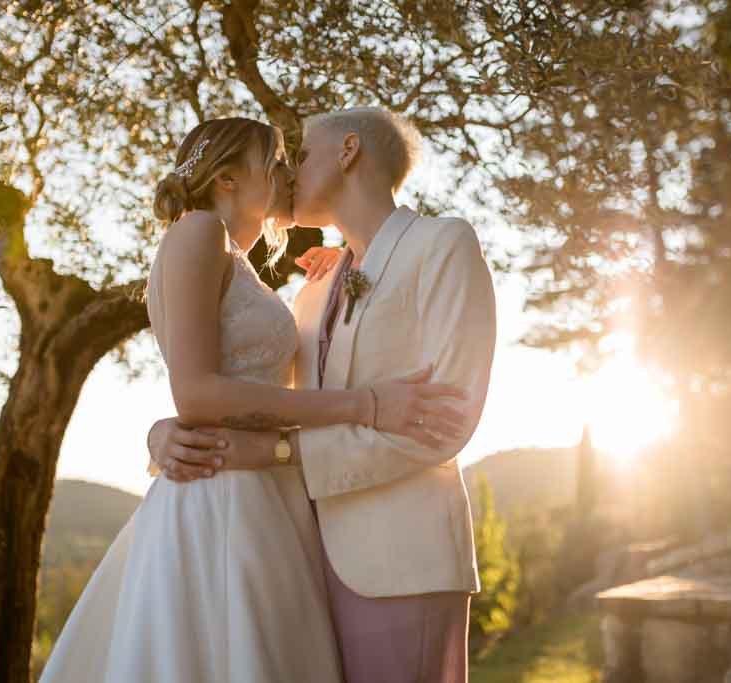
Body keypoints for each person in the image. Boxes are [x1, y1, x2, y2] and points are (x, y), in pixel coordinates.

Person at [37, 116, 467, 683]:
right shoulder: (197, 233)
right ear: (228, 179)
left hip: (270, 493)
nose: (288, 174)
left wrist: (343, 263)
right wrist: (365, 405)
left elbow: (241, 385)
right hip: (226, 498)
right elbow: (198, 393)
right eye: (276, 161)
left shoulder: (244, 263)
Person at [149, 107, 497, 683]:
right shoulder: (313, 290)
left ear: (349, 151)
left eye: (300, 155)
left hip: (400, 561)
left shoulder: (443, 245)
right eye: (279, 162)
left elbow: (446, 420)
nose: (288, 173)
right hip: (296, 555)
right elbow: (244, 393)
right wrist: (165, 432)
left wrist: (283, 456)